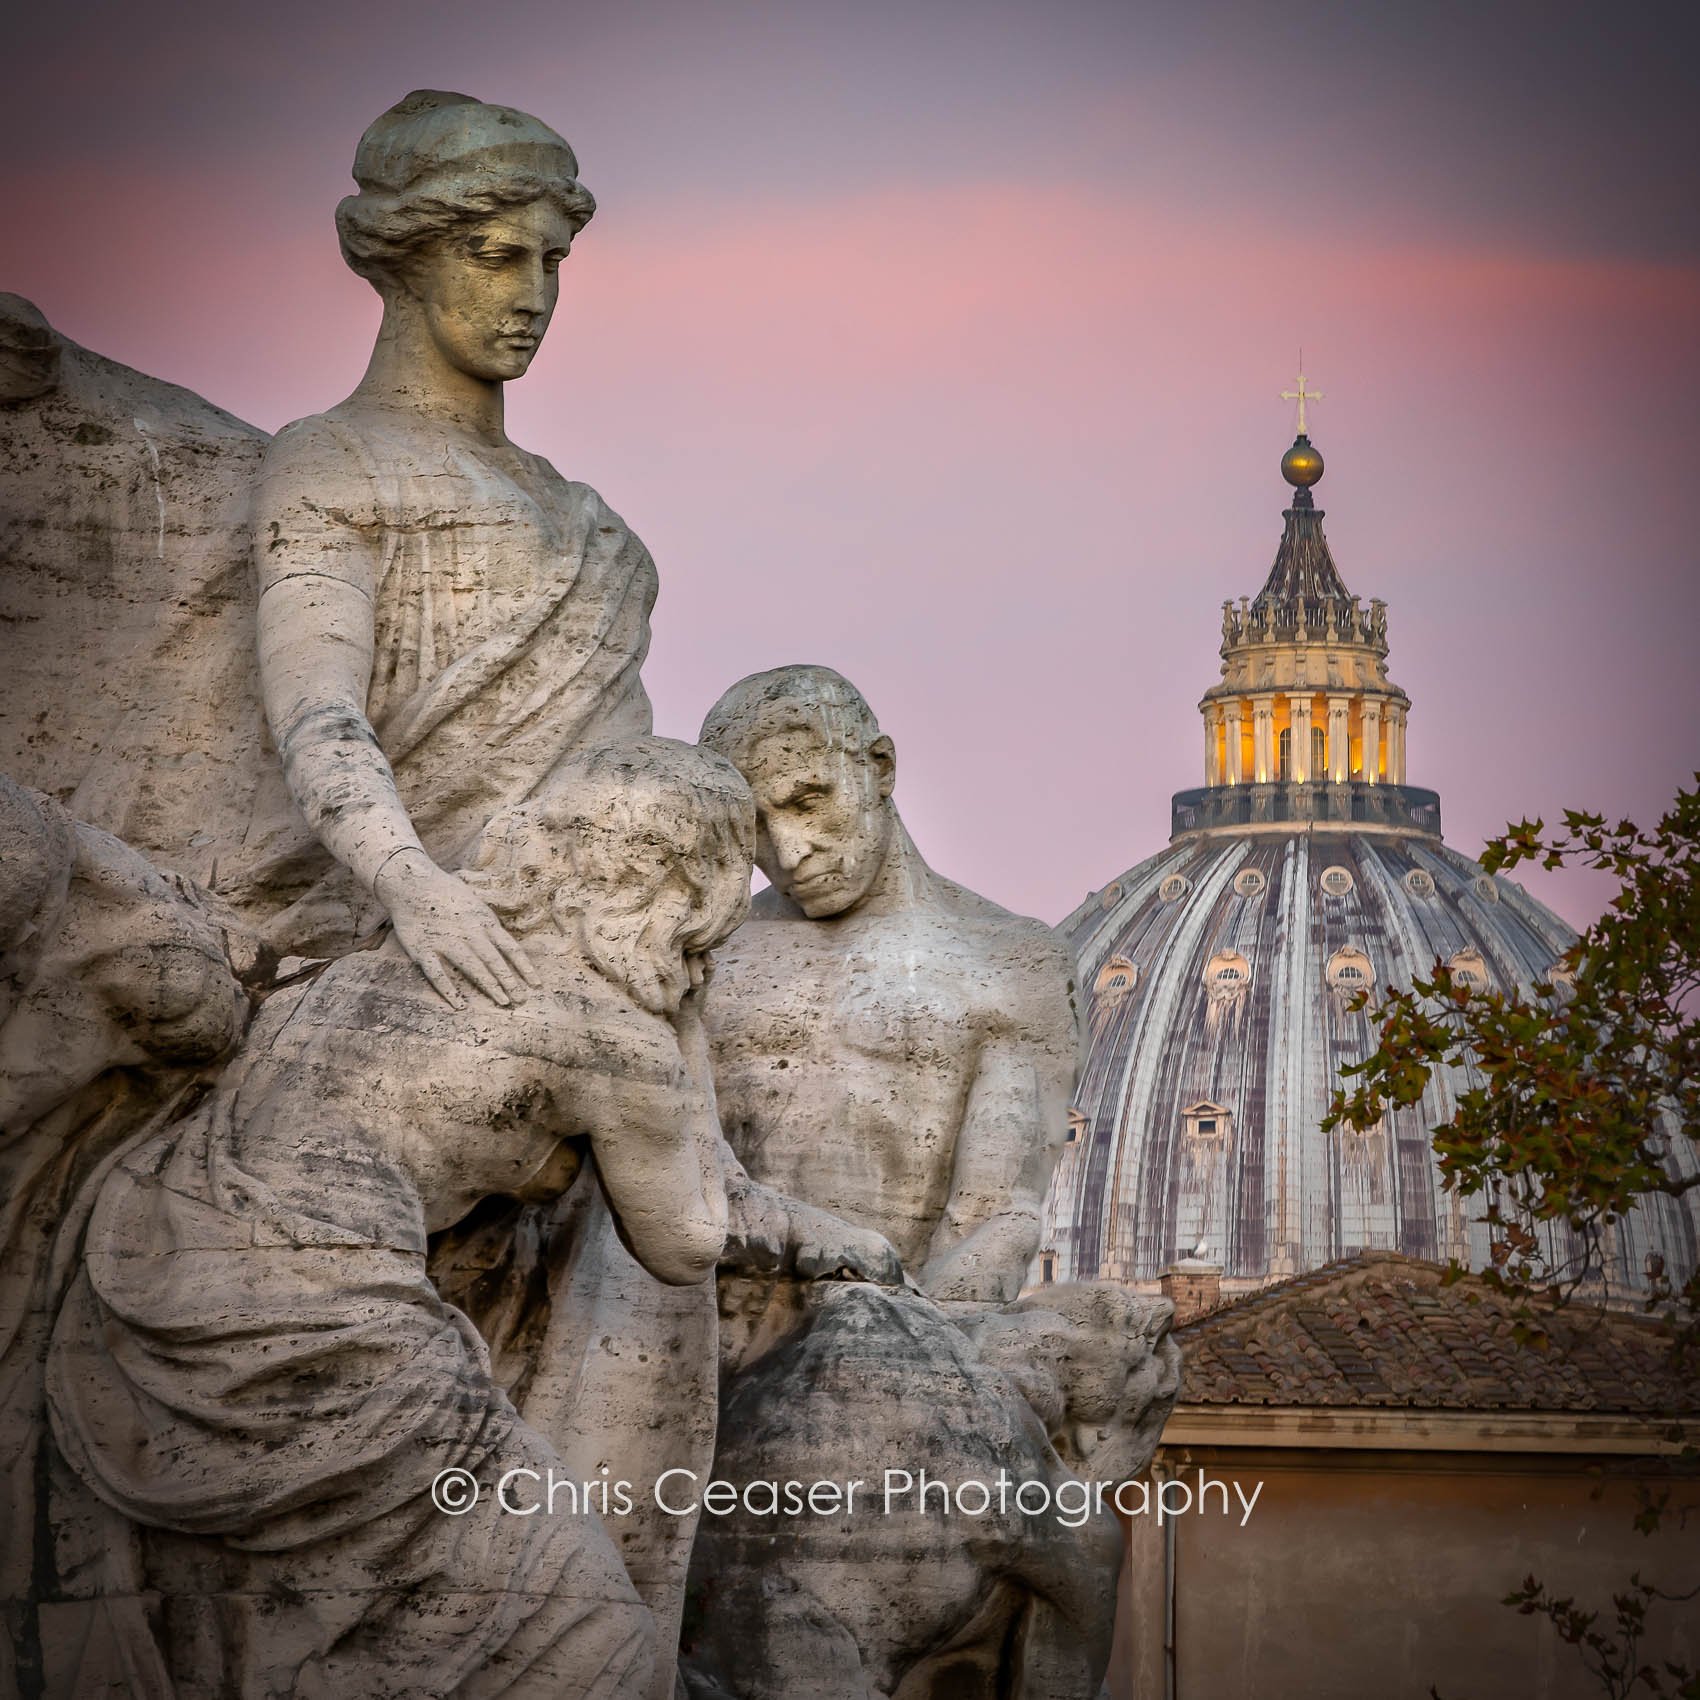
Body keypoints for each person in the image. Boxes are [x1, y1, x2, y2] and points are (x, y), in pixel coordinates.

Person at [45, 739, 752, 1700]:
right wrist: (687, 1029)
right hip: (331, 1330)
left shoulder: (395, 951)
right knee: (590, 1637)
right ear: (692, 897)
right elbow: (687, 1244)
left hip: (153, 1259)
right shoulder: (614, 1041)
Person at [241, 89, 657, 988]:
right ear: (408, 259)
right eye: (496, 258)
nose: (533, 296)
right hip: (423, 931)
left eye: (552, 261)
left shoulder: (587, 519)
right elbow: (320, 716)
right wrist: (413, 886)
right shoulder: (333, 458)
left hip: (596, 932)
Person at [698, 665, 1079, 1305]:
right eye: (757, 826)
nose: (789, 854)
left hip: (900, 1334)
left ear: (880, 768)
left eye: (807, 803)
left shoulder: (1015, 962)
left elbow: (994, 1219)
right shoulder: (703, 955)